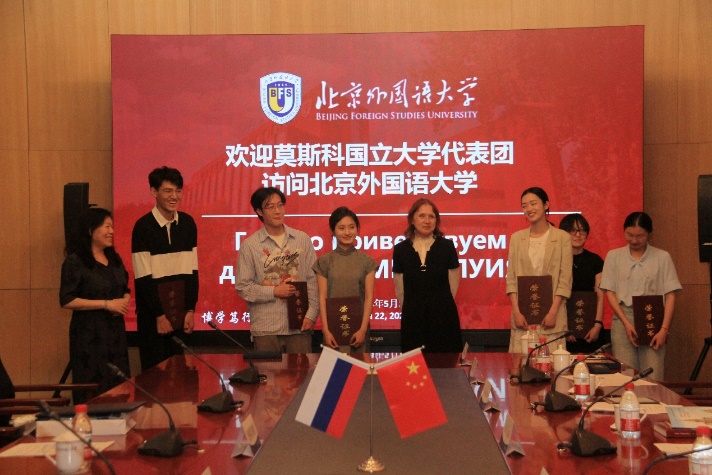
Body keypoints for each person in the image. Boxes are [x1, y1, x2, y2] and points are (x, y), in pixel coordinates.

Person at [60, 208, 130, 402]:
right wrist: (106, 304)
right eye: (106, 227)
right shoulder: (75, 262)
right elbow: (67, 299)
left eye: (112, 227)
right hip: (89, 336)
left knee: (119, 387)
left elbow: (125, 287)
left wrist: (125, 299)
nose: (111, 231)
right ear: (91, 231)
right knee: (93, 389)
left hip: (115, 334)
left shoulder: (114, 259)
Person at [236, 187, 318, 353]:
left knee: (301, 370)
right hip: (266, 329)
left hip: (299, 325)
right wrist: (274, 291)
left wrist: (312, 314)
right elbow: (243, 287)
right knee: (268, 371)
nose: (277, 211)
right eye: (270, 207)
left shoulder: (302, 239)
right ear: (259, 211)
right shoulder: (250, 246)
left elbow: (313, 280)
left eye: (280, 205)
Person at [599, 212, 681, 378]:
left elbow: (670, 295)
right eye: (630, 235)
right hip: (623, 316)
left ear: (649, 234)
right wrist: (626, 323)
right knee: (626, 374)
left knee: (653, 374)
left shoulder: (662, 257)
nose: (634, 240)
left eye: (640, 236)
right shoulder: (614, 256)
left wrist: (664, 329)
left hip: (652, 318)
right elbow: (610, 292)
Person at [132, 166, 198, 371]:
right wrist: (159, 315)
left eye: (178, 191)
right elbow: (143, 277)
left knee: (182, 375)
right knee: (154, 377)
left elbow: (192, 271)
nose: (174, 196)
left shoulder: (187, 223)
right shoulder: (143, 227)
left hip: (181, 315)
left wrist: (190, 309)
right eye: (168, 191)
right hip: (153, 317)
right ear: (154, 192)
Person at [507, 187, 572, 352]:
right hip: (523, 318)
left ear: (546, 205)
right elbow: (511, 279)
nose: (529, 209)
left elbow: (565, 279)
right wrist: (516, 312)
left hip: (552, 318)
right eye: (524, 206)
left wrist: (553, 312)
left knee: (552, 364)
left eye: (533, 203)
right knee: (522, 364)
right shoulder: (516, 238)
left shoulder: (562, 238)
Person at [393, 198, 462, 353]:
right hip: (413, 319)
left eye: (431, 216)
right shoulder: (400, 249)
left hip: (444, 318)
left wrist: (438, 307)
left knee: (446, 363)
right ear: (412, 219)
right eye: (422, 216)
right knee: (415, 364)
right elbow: (400, 289)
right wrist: (415, 309)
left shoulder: (447, 246)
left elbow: (453, 284)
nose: (427, 221)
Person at [313, 207, 377, 353]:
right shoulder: (324, 262)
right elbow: (322, 297)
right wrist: (326, 331)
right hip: (332, 332)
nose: (347, 232)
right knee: (336, 368)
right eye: (341, 228)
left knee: (359, 367)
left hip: (359, 332)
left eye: (351, 227)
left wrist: (363, 330)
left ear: (357, 230)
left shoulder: (367, 262)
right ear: (333, 231)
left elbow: (369, 297)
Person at [559, 213, 606, 354]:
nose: (578, 235)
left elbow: (600, 296)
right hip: (563, 330)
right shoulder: (557, 261)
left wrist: (597, 324)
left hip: (591, 329)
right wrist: (563, 328)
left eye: (582, 230)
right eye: (573, 230)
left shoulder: (595, 260)